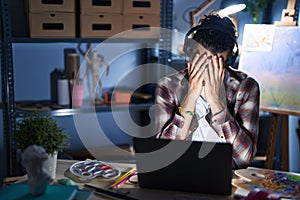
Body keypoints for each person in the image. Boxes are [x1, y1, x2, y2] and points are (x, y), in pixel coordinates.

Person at [155, 11, 260, 169]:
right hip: (178, 173)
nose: (207, 70)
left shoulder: (245, 87)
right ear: (191, 55)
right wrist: (191, 97)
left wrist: (217, 102)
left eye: (216, 63)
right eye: (202, 61)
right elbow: (163, 154)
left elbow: (243, 159)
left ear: (228, 61)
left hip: (224, 177)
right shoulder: (168, 86)